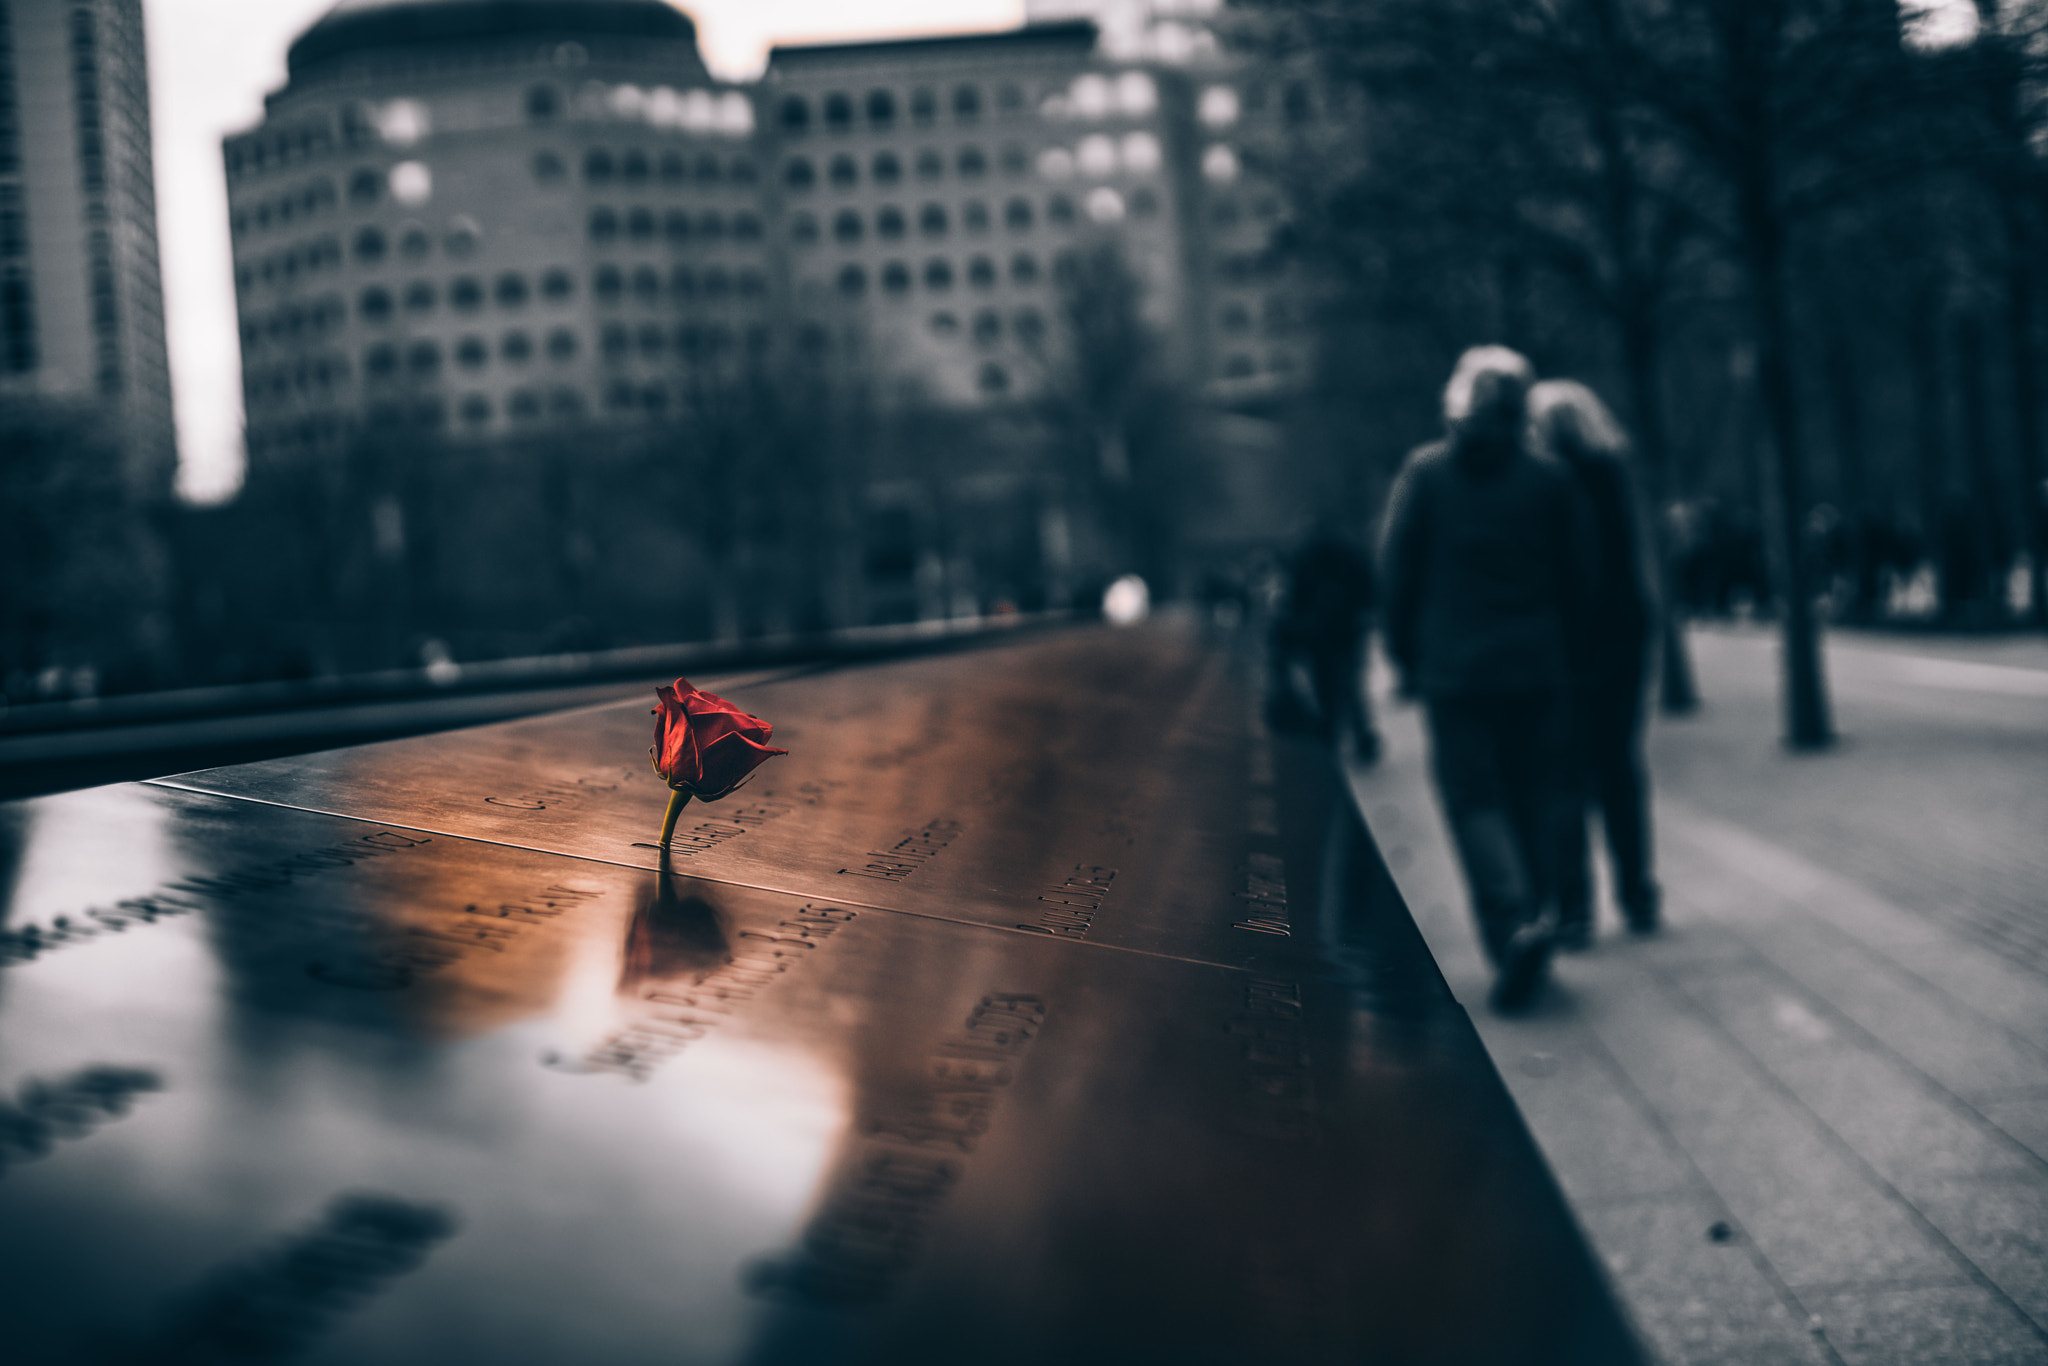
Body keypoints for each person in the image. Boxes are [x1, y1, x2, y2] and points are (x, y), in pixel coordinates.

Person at [1380, 346, 1590, 1012]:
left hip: (1456, 671)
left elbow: (1397, 572)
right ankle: (1538, 909)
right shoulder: (1549, 479)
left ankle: (1511, 923)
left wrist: (1404, 656)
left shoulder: (1426, 474)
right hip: (1538, 667)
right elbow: (1583, 579)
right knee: (1536, 794)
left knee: (1474, 801)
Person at [1529, 380, 1661, 945]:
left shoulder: (1540, 484)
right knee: (1620, 769)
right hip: (1624, 638)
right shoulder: (1612, 474)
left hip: (1564, 647)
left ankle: (1575, 908)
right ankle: (1638, 894)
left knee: (1563, 777)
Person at [1265, 525, 1382, 765]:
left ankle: (1333, 736)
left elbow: (1293, 602)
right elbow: (1368, 584)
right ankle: (1360, 738)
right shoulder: (1347, 557)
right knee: (1349, 685)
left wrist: (1288, 639)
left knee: (1328, 685)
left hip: (1320, 635)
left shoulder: (1304, 561)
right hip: (1346, 630)